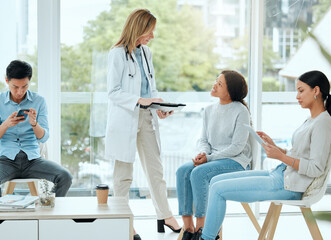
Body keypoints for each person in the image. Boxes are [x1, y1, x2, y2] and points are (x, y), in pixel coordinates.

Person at [199, 70, 331, 240]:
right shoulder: (312, 119)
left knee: (217, 189)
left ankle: (206, 238)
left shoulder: (323, 123)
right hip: (282, 174)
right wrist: (275, 147)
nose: (297, 96)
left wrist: (281, 157)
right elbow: (301, 154)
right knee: (215, 181)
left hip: (289, 186)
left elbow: (316, 168)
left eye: (301, 90)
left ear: (316, 91)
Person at [105, 9, 180, 240]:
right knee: (123, 175)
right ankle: (125, 222)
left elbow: (150, 88)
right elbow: (114, 92)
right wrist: (140, 100)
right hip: (125, 118)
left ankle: (165, 215)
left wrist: (160, 107)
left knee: (155, 170)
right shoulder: (117, 54)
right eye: (150, 31)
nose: (153, 36)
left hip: (146, 118)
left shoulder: (146, 52)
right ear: (139, 28)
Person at [176, 70, 252, 240]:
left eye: (220, 84)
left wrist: (208, 158)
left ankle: (202, 227)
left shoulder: (241, 111)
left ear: (230, 91)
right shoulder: (209, 109)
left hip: (235, 161)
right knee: (182, 171)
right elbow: (203, 139)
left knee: (198, 172)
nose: (214, 85)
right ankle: (188, 227)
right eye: (216, 81)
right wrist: (203, 153)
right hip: (212, 158)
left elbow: (237, 147)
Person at [0, 60, 72, 197]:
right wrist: (6, 124)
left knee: (65, 177)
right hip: (6, 160)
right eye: (15, 87)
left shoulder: (39, 101)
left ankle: (48, 206)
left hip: (32, 160)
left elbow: (44, 137)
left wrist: (34, 123)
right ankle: (4, 216)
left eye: (25, 86)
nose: (20, 91)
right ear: (6, 80)